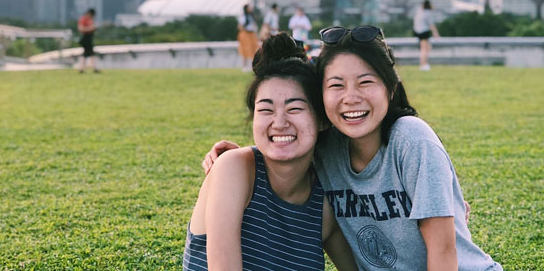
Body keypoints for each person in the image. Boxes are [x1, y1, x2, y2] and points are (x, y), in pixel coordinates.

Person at [204, 26, 503, 271]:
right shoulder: (327, 149)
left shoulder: (412, 140)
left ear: (390, 87)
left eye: (365, 82)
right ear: (322, 99)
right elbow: (288, 140)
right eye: (336, 85)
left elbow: (444, 252)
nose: (351, 97)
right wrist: (240, 157)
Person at [184, 33, 358, 271]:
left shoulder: (324, 205)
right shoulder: (233, 168)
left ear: (322, 120)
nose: (279, 122)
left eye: (294, 108)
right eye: (266, 110)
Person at [412, 0, 440, 71]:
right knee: (424, 49)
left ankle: (424, 64)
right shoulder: (428, 12)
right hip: (424, 32)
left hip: (417, 31)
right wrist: (435, 33)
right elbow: (431, 25)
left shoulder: (419, 11)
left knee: (427, 48)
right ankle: (423, 64)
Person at [237, 4, 259, 72]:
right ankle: (244, 66)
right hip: (245, 34)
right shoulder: (243, 17)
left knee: (254, 49)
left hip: (252, 34)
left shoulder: (251, 16)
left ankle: (253, 65)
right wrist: (246, 29)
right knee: (245, 49)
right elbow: (240, 27)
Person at [77, 8, 100, 73]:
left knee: (87, 53)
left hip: (89, 38)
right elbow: (80, 29)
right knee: (91, 53)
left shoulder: (90, 20)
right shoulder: (83, 19)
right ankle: (94, 68)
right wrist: (91, 28)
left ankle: (82, 69)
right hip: (85, 38)